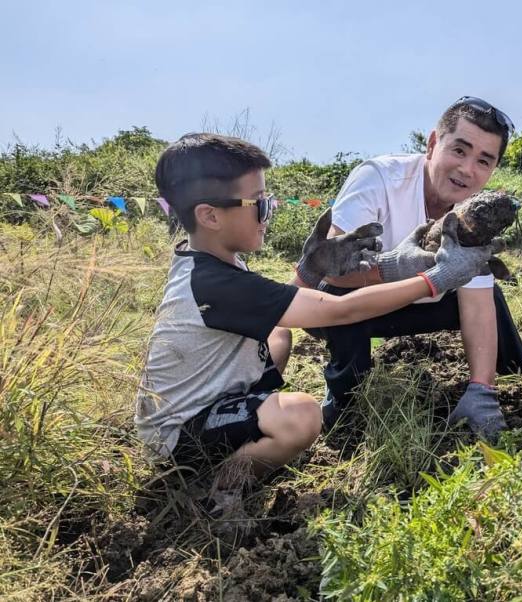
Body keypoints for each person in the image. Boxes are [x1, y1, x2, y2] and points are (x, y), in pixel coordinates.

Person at [134, 133, 496, 515]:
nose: (268, 213)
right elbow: (338, 310)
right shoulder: (215, 283)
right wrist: (435, 279)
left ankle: (244, 441)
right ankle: (219, 484)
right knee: (302, 416)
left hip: (208, 400)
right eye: (260, 205)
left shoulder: (209, 263)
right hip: (178, 437)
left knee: (279, 335)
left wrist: (310, 270)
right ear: (210, 215)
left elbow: (282, 310)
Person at [308, 97, 522, 439]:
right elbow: (333, 270)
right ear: (432, 144)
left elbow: (476, 296)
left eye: (484, 161)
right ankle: (344, 401)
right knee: (333, 295)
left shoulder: (475, 212)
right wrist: (394, 268)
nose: (468, 169)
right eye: (459, 150)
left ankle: (506, 375)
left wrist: (481, 389)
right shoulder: (378, 179)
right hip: (363, 302)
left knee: (486, 289)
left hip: (425, 300)